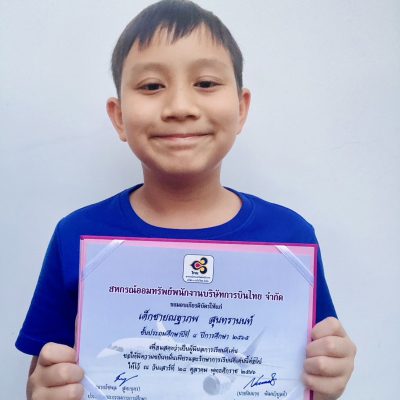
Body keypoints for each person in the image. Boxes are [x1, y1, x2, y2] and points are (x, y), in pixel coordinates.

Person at [16, 1, 356, 399]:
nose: (180, 107)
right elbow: (44, 376)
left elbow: (312, 369)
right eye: (151, 86)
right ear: (119, 116)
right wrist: (45, 390)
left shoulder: (290, 238)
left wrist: (327, 379)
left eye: (206, 83)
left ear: (241, 108)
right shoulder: (76, 234)